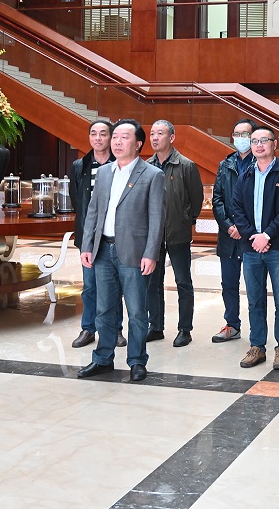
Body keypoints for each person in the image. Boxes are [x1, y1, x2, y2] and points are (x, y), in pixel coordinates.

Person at [77, 119, 166, 382]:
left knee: (137, 311)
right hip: (103, 251)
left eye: (124, 137)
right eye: (115, 137)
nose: (117, 142)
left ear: (138, 144)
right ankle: (102, 358)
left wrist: (151, 253)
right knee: (104, 309)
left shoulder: (152, 175)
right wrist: (87, 245)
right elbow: (93, 212)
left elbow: (157, 219)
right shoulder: (104, 172)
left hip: (134, 253)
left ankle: (137, 360)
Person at [231, 126, 279, 370]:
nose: (258, 145)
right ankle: (257, 346)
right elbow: (237, 210)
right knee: (255, 300)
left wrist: (267, 235)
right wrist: (254, 237)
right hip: (251, 248)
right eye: (254, 141)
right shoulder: (245, 176)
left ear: (274, 144)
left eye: (264, 140)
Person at [146, 120, 204, 347]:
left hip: (178, 234)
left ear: (171, 138)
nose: (154, 137)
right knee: (153, 282)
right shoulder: (147, 166)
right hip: (153, 236)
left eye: (160, 133)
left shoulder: (186, 166)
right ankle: (155, 326)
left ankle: (184, 329)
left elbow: (196, 199)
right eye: (152, 133)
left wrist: (185, 219)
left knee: (183, 282)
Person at [70, 120, 125, 349]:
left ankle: (115, 330)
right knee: (90, 285)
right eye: (94, 134)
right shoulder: (80, 165)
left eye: (103, 134)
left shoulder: (119, 163)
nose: (98, 138)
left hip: (113, 234)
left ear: (111, 138)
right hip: (89, 236)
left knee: (114, 285)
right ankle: (88, 328)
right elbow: (77, 200)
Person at [210, 118, 257, 343]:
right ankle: (232, 324)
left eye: (245, 134)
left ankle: (257, 330)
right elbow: (217, 199)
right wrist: (229, 225)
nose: (240, 138)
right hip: (228, 237)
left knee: (254, 286)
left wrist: (243, 228)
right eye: (236, 134)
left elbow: (261, 202)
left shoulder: (259, 163)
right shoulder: (225, 164)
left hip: (251, 237)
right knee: (228, 284)